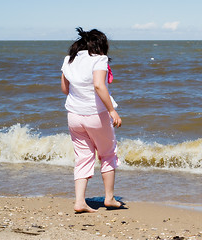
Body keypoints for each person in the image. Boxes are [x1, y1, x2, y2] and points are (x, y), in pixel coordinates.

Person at [61, 27, 123, 213]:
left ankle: (79, 202)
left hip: (73, 115)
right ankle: (109, 198)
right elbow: (98, 85)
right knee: (108, 154)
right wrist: (112, 110)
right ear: (100, 45)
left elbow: (65, 89)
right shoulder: (99, 59)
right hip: (96, 115)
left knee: (82, 157)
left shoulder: (69, 59)